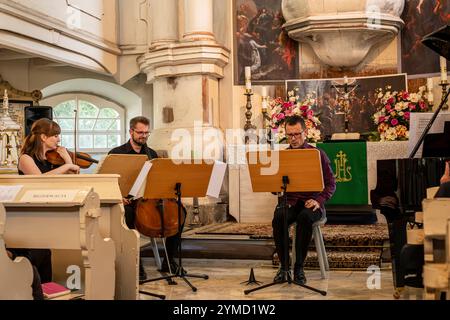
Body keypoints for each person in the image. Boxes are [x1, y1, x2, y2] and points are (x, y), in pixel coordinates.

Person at [108, 116, 185, 281]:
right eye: (140, 132)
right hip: (127, 201)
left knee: (179, 212)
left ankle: (169, 261)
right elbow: (109, 181)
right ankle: (136, 264)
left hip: (148, 199)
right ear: (131, 131)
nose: (143, 136)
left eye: (146, 133)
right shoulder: (116, 153)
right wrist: (118, 197)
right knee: (127, 215)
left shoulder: (152, 154)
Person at [11, 118, 80, 299]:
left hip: (46, 214)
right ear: (43, 137)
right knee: (38, 253)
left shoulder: (51, 160)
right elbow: (40, 180)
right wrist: (66, 166)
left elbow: (74, 181)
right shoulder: (26, 159)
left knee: (46, 251)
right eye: (55, 136)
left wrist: (66, 159)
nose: (59, 139)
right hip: (29, 216)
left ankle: (44, 290)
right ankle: (30, 289)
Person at [272, 115, 336, 285]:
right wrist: (273, 184)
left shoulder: (317, 154)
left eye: (296, 134)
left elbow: (331, 184)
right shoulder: (283, 156)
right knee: (279, 218)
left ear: (305, 132)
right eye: (289, 135)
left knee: (305, 217)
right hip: (292, 202)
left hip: (312, 203)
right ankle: (284, 267)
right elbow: (275, 187)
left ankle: (298, 268)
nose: (293, 139)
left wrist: (319, 200)